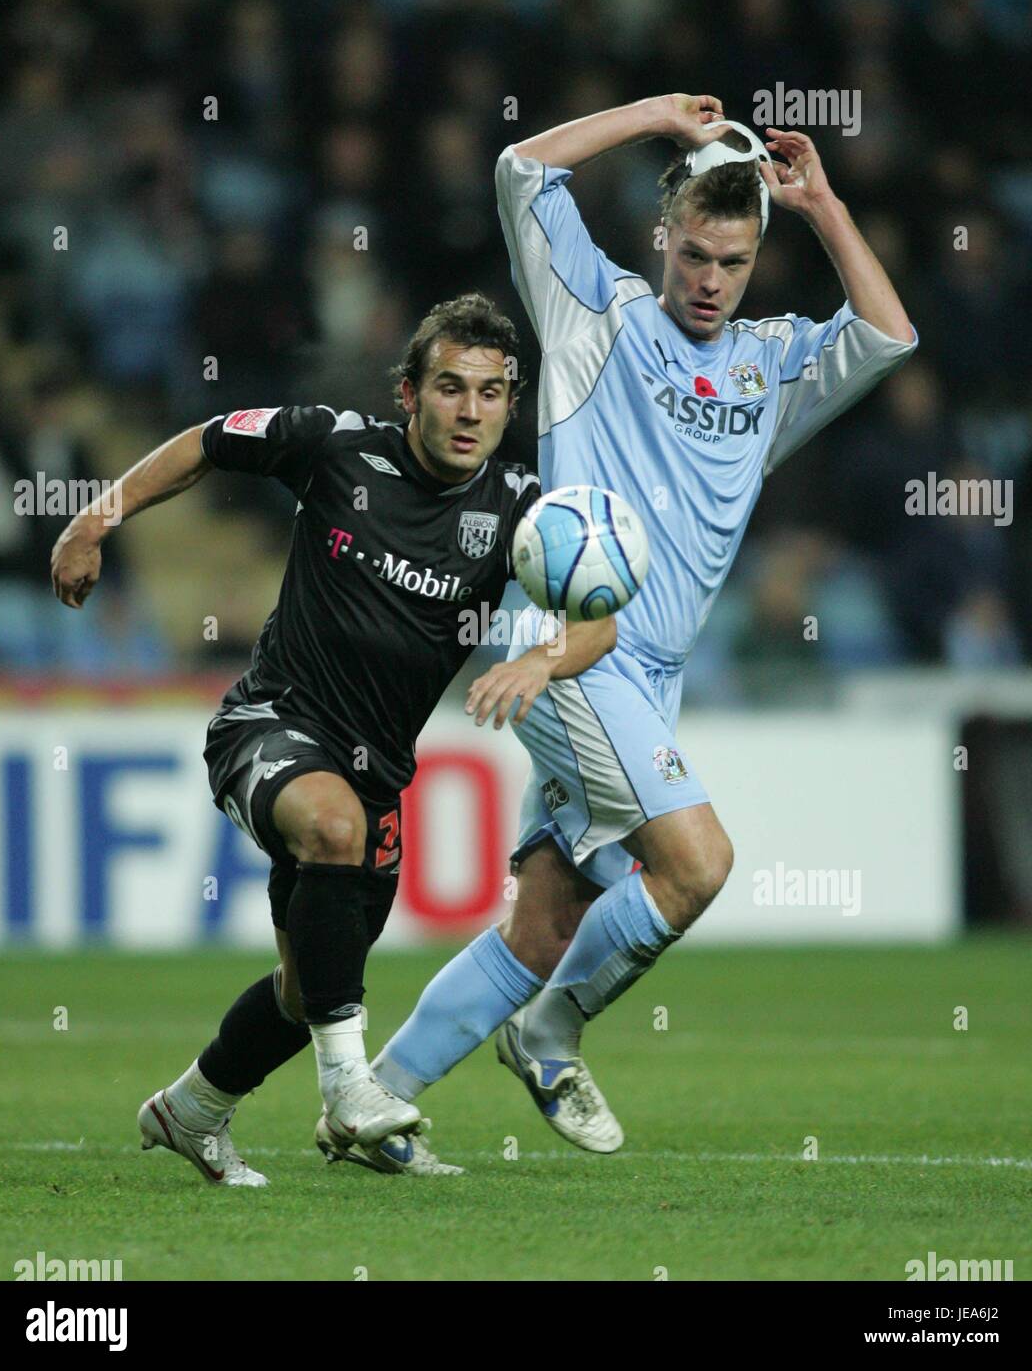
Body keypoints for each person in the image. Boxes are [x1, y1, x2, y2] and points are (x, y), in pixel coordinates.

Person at [364, 95, 918, 1169]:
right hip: (569, 639)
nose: (709, 281)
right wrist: (656, 116)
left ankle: (374, 1102)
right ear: (662, 239)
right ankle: (548, 1033)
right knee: (696, 864)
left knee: (545, 918)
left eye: (734, 261)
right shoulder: (594, 318)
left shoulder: (769, 368)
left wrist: (823, 206)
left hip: (647, 674)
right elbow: (520, 166)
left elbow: (889, 334)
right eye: (695, 254)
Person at [49, 292, 617, 1184]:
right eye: (449, 388)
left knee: (303, 983)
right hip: (268, 724)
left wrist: (544, 660)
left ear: (511, 404)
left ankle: (191, 1110)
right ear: (408, 393)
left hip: (377, 771)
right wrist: (97, 518)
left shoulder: (521, 507)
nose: (470, 411)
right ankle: (350, 1090)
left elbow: (599, 619)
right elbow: (206, 441)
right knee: (332, 830)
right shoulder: (335, 445)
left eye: (491, 393)